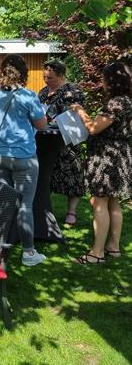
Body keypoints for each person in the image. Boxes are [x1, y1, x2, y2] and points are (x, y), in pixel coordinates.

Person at [0, 54, 48, 267]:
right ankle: (28, 253)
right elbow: (41, 125)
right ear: (23, 72)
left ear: (2, 70)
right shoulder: (28, 95)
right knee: (24, 206)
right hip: (24, 156)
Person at [71, 62, 131, 264]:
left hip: (107, 159)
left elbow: (93, 128)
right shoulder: (127, 101)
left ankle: (96, 253)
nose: (103, 82)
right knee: (113, 201)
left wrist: (80, 111)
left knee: (100, 202)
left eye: (105, 79)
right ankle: (113, 247)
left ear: (112, 81)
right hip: (120, 157)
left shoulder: (116, 103)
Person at [38, 59, 86, 226]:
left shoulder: (73, 91)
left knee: (72, 174)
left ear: (61, 75)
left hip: (67, 139)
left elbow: (78, 112)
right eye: (44, 77)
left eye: (50, 77)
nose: (46, 80)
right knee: (46, 174)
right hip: (46, 139)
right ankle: (45, 208)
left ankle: (71, 212)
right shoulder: (43, 92)